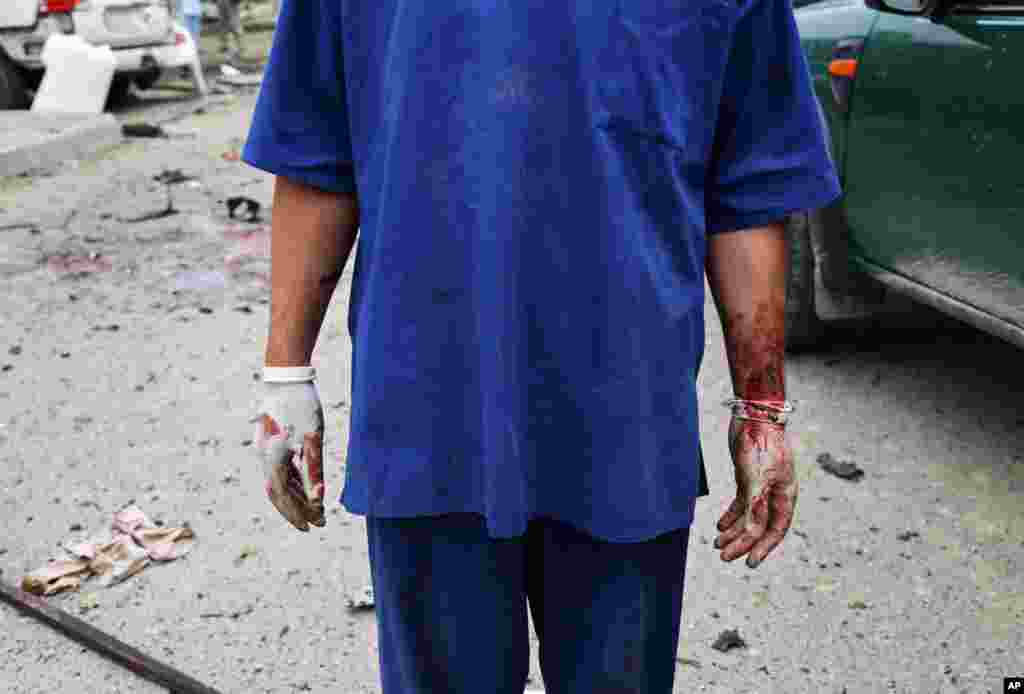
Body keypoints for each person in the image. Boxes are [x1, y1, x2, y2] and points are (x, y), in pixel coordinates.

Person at [243, 0, 840, 692]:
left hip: (624, 421)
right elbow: (317, 155)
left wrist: (762, 406)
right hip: (431, 414)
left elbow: (750, 184)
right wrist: (285, 375)